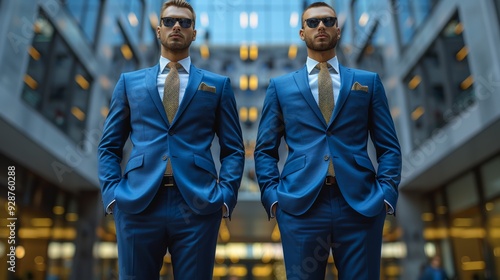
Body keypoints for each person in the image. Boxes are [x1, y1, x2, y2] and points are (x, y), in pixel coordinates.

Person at [253, 2, 401, 279]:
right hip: (300, 207)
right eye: (312, 22)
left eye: (327, 21)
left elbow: (389, 146)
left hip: (361, 204)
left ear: (338, 30)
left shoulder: (368, 82)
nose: (320, 26)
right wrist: (273, 197)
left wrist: (386, 194)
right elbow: (264, 150)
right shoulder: (281, 87)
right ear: (301, 33)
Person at [97, 0, 245, 279]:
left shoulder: (218, 85)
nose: (177, 26)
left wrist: (225, 197)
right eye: (169, 21)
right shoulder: (129, 82)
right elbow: (109, 146)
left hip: (198, 204)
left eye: (185, 22)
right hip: (137, 202)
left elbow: (234, 150)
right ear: (158, 30)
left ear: (194, 33)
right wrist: (112, 195)